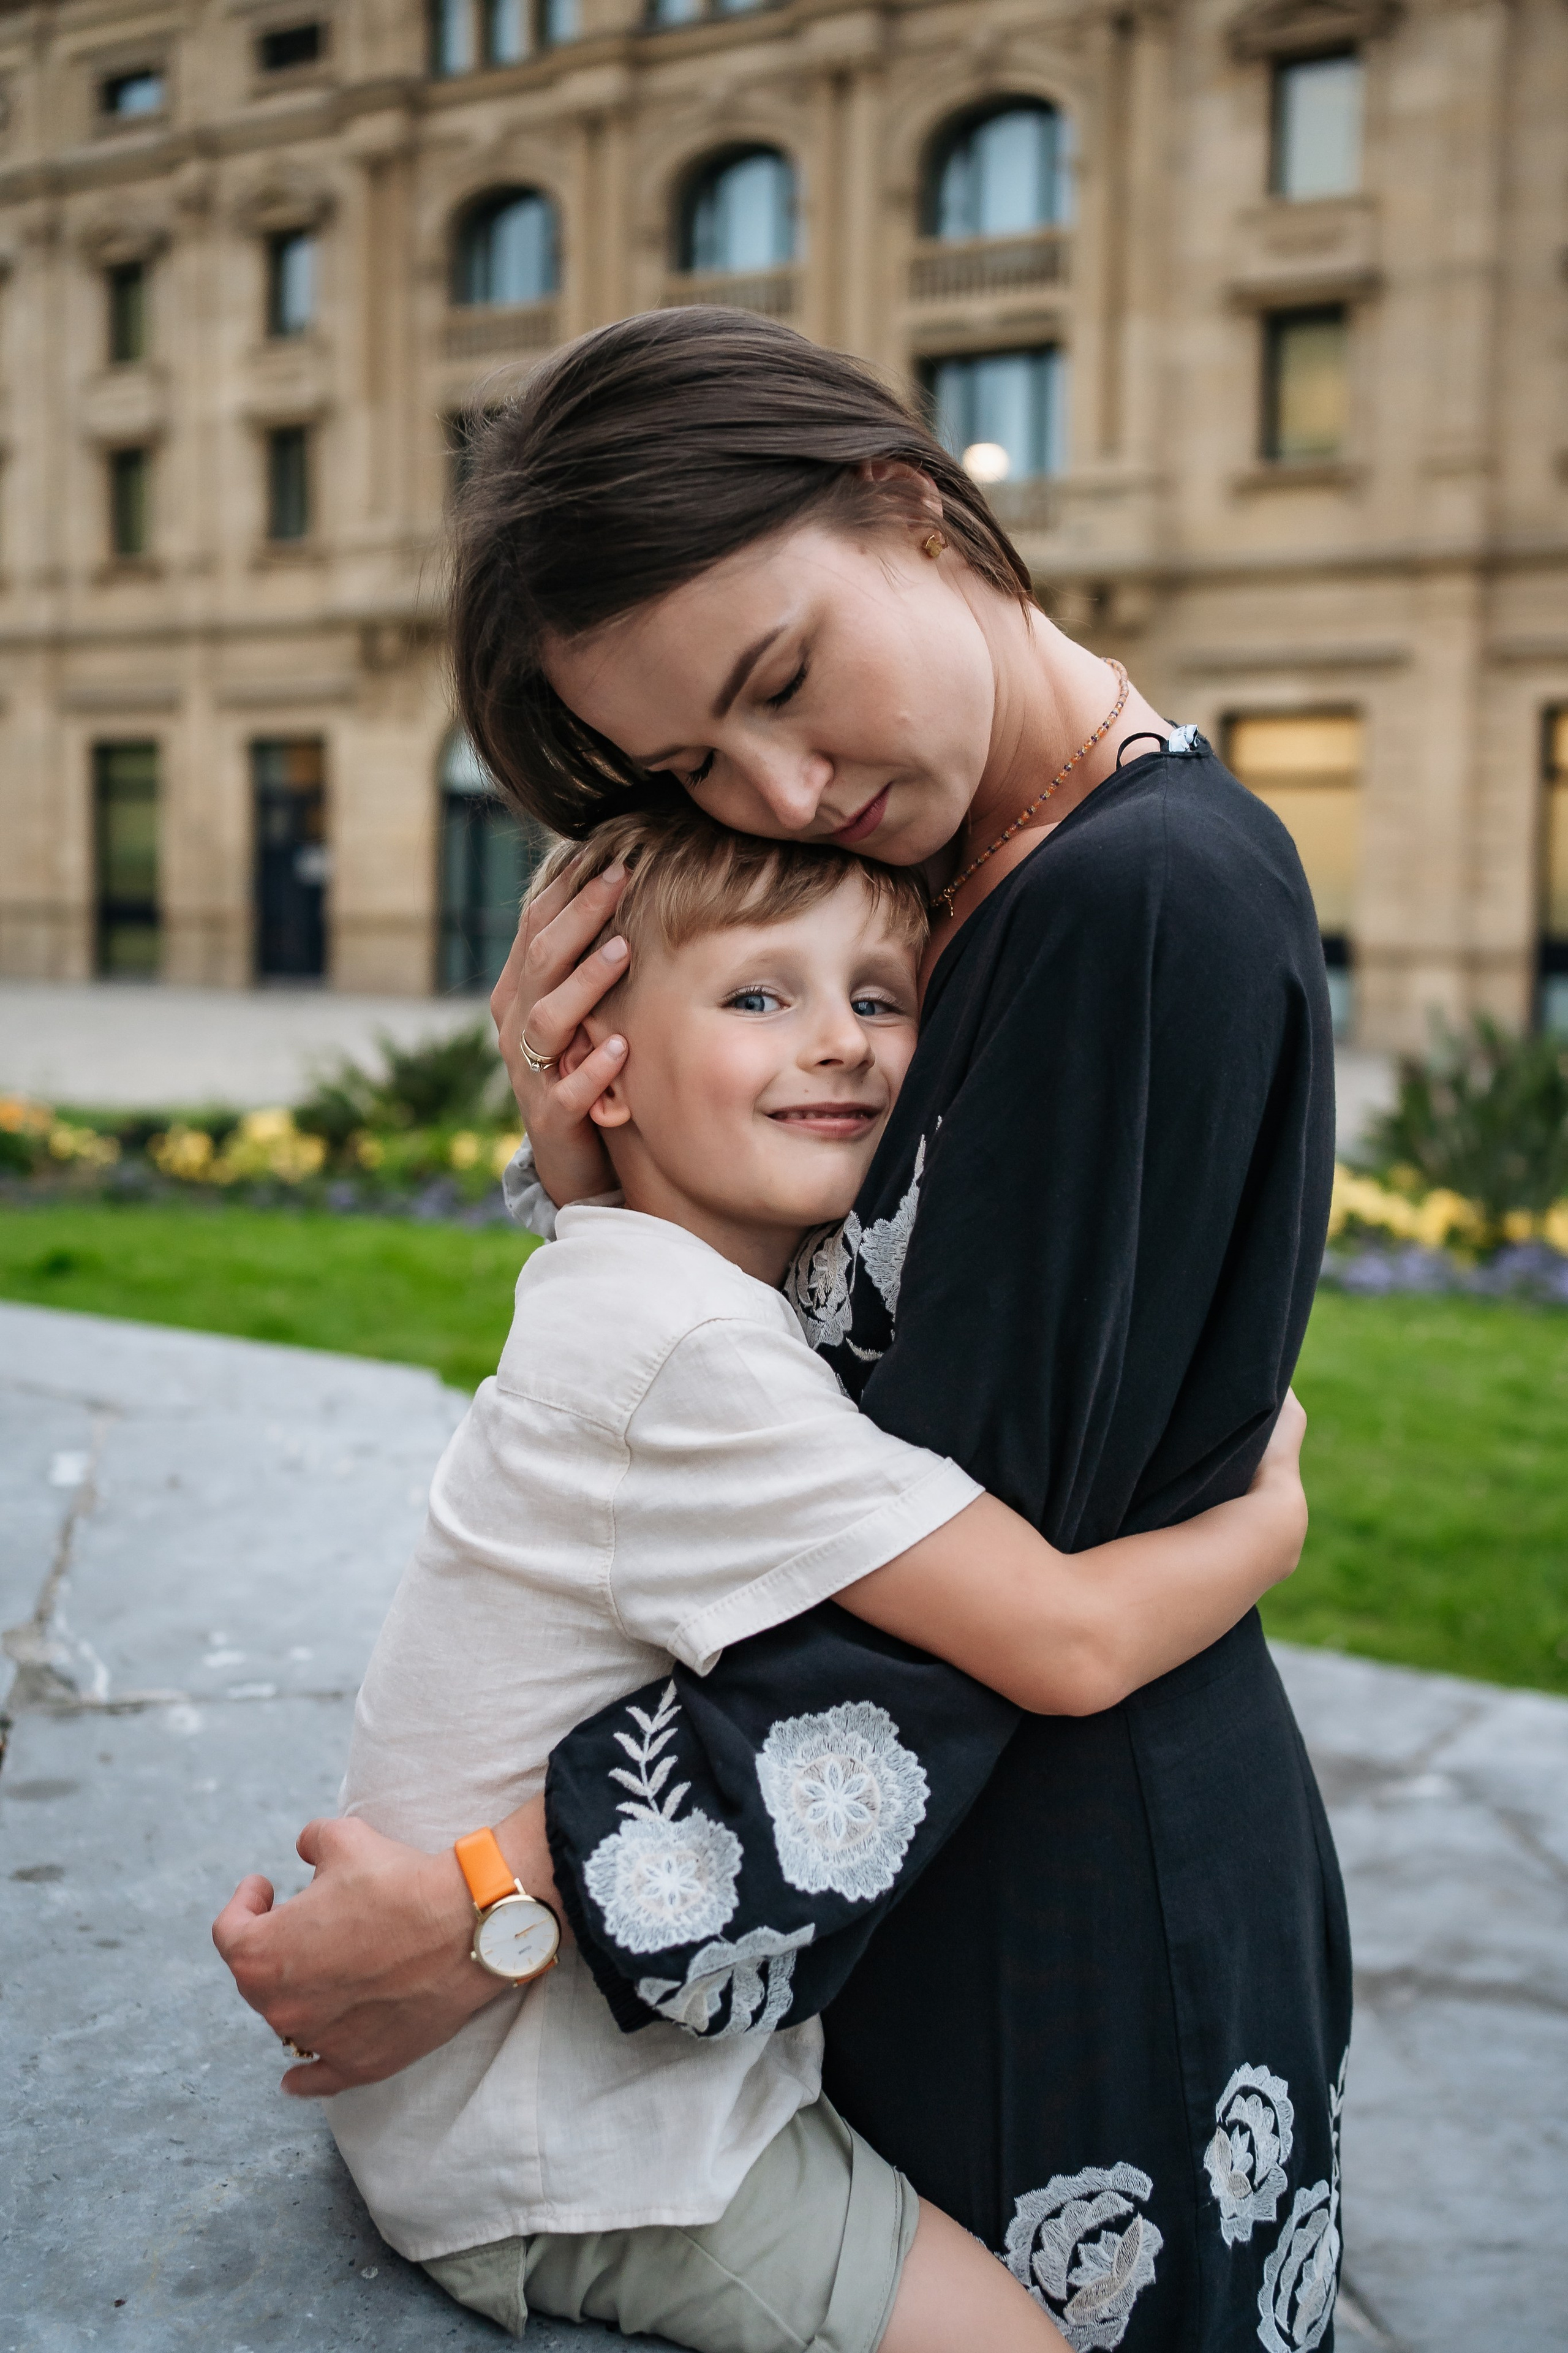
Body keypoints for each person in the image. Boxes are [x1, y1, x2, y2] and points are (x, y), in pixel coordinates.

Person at [215, 309, 1349, 2353]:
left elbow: (965, 1600)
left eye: (782, 683)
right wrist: (609, 1184)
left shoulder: (1138, 904)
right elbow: (826, 1415)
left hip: (1065, 1944)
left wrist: (500, 1909)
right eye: (690, 770)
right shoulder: (947, 898)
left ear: (912, 508)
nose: (789, 790)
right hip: (888, 1948)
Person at [294, 805, 1305, 2353]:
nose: (837, 1041)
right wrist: (1269, 1517)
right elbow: (1067, 1642)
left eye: (880, 997)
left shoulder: (630, 1280)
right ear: (600, 1061)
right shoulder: (690, 1358)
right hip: (591, 2156)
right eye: (759, 996)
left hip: (520, 2076)